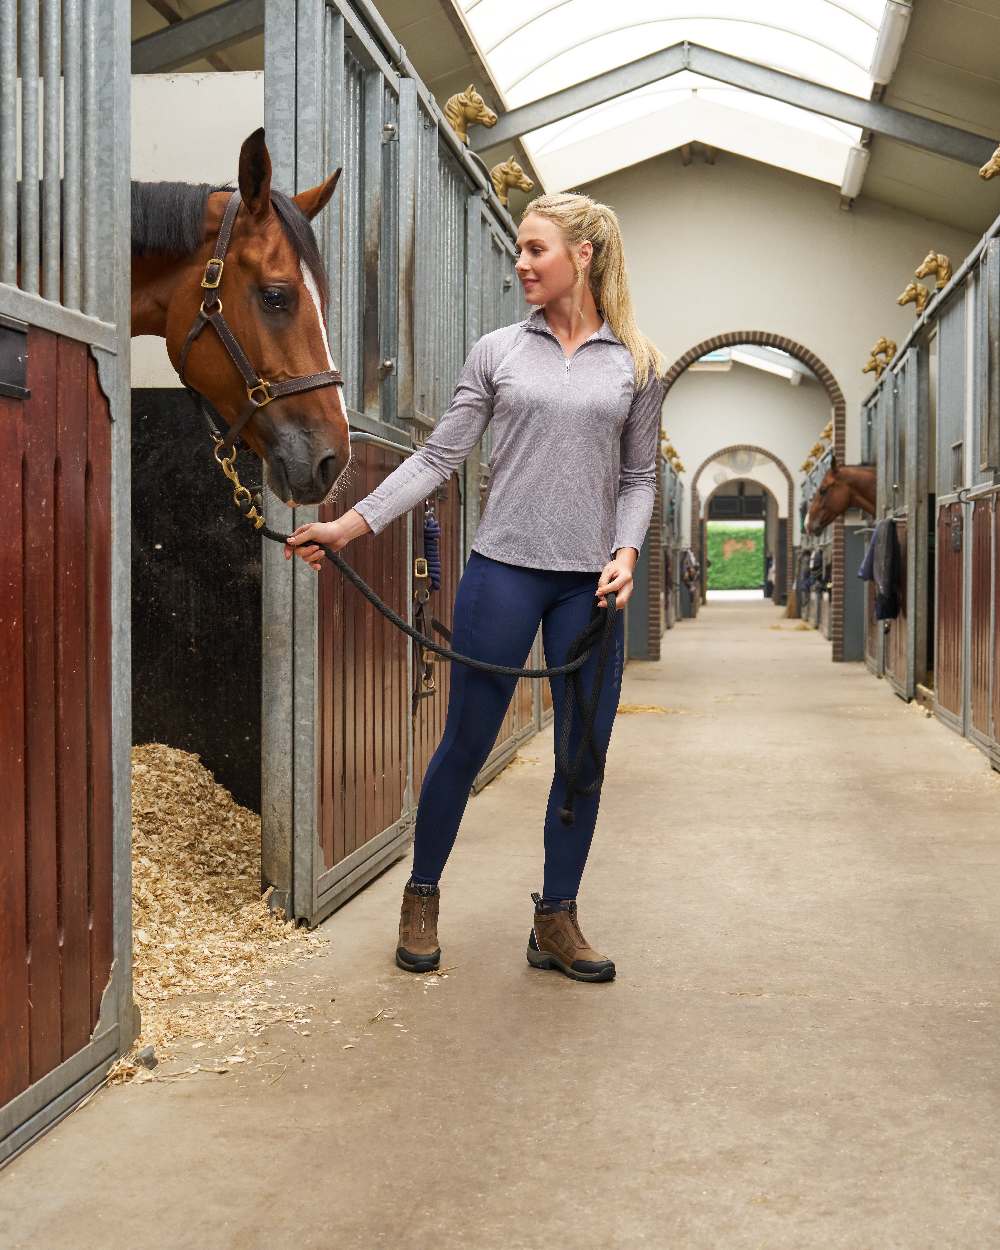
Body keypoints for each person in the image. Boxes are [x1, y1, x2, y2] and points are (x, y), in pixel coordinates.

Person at [285, 192, 665, 984]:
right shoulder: (497, 351)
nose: (520, 264)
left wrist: (627, 551)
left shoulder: (636, 363)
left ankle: (556, 917)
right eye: (519, 252)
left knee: (583, 754)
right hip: (503, 572)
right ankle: (421, 896)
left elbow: (639, 477)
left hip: (588, 589)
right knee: (463, 742)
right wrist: (347, 527)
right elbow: (435, 460)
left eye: (535, 250)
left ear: (584, 256)